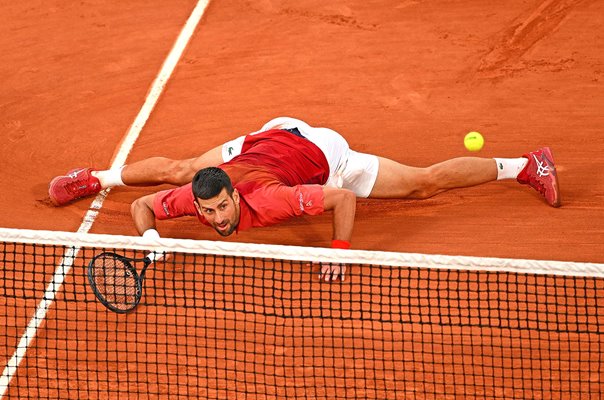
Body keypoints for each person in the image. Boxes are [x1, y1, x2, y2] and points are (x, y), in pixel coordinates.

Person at [48, 117, 561, 281]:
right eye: (211, 212)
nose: (218, 218)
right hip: (267, 138)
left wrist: (336, 251)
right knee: (183, 166)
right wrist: (152, 238)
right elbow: (146, 205)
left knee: (421, 183)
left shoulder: (274, 203)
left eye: (221, 208)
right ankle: (93, 177)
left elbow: (341, 200)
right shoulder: (197, 195)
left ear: (230, 196)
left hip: (323, 153)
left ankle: (526, 165)